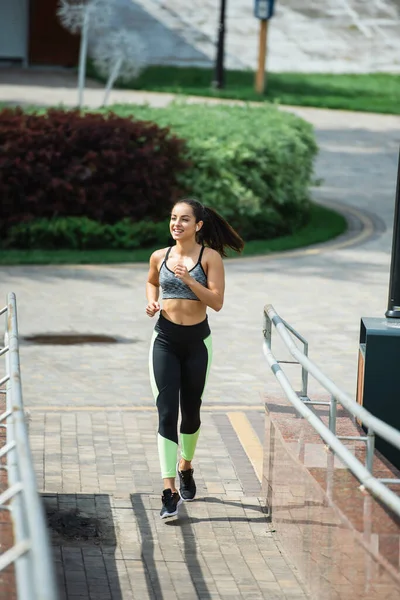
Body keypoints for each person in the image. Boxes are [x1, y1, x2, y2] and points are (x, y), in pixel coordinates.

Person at [146, 198, 244, 519]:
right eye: (173, 218)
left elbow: (216, 302)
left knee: (191, 413)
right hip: (164, 340)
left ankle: (185, 465)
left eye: (184, 219)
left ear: (198, 226)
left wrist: (189, 279)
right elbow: (151, 282)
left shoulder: (209, 258)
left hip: (197, 343)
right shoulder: (160, 256)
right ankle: (168, 490)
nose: (177, 224)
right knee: (166, 413)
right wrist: (152, 302)